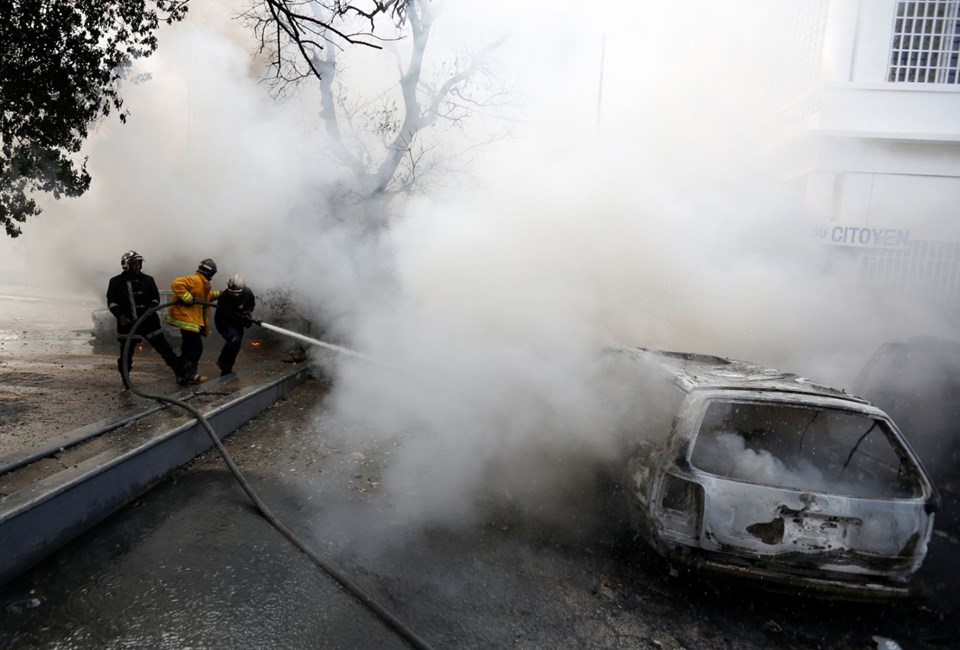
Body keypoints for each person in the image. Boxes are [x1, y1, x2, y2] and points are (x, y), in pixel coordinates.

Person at [106, 250, 181, 388]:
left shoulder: (148, 280)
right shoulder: (116, 282)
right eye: (134, 264)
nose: (137, 267)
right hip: (127, 325)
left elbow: (155, 298)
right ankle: (126, 381)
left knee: (165, 350)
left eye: (139, 264)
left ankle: (180, 374)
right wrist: (120, 316)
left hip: (150, 323)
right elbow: (112, 302)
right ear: (126, 265)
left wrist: (149, 310)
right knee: (126, 355)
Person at [166, 258, 220, 386]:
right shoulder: (196, 280)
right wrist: (187, 298)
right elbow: (176, 284)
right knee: (196, 348)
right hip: (188, 320)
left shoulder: (202, 283)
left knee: (188, 349)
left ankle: (184, 376)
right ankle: (186, 372)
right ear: (210, 272)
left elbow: (205, 298)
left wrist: (220, 294)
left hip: (191, 321)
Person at [214, 274, 256, 377]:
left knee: (236, 343)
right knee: (234, 339)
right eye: (232, 293)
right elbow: (229, 315)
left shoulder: (248, 293)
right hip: (224, 322)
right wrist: (244, 320)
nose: (235, 295)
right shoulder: (225, 296)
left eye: (237, 293)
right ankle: (224, 364)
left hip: (238, 321)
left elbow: (251, 304)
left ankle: (226, 365)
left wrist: (247, 312)